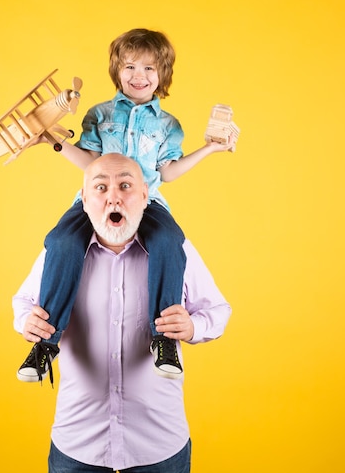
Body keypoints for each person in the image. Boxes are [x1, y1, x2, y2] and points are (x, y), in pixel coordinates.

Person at [17, 28, 237, 384]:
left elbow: (168, 172)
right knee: (61, 242)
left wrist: (210, 148)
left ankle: (163, 337)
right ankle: (45, 344)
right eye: (130, 66)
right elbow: (91, 161)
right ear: (117, 71)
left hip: (145, 201)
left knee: (169, 242)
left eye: (149, 69)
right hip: (97, 200)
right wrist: (51, 142)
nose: (139, 76)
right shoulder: (100, 114)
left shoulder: (168, 125)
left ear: (163, 75)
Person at [13, 153, 232, 472]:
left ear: (146, 196)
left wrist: (192, 327)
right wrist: (27, 321)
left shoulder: (177, 251)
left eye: (125, 186)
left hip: (158, 443)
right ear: (84, 200)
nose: (113, 196)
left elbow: (217, 311)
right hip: (79, 441)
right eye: (100, 188)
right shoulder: (59, 254)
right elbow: (23, 302)